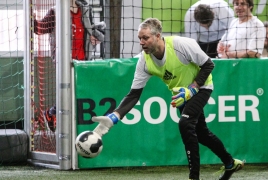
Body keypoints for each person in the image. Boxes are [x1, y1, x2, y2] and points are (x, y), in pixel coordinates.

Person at [91, 18, 244, 180]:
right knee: (202, 134)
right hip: (180, 95)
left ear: (158, 36)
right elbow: (134, 94)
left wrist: (192, 89)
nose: (141, 42)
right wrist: (113, 117)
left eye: (145, 38)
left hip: (201, 86)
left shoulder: (181, 45)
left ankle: (194, 177)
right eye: (139, 38)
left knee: (185, 124)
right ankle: (230, 163)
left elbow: (208, 65)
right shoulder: (144, 60)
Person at [34, 0, 106, 132]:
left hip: (83, 59)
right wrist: (33, 20)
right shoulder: (55, 11)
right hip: (64, 60)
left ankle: (54, 114)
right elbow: (40, 28)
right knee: (68, 91)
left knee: (79, 92)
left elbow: (92, 29)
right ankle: (53, 114)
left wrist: (96, 36)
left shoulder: (85, 9)